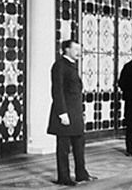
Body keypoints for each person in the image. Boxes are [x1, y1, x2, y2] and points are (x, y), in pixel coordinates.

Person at [47, 39, 97, 186]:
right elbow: (57, 91)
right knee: (63, 148)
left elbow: (75, 92)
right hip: (65, 113)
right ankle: (64, 177)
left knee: (79, 144)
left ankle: (81, 174)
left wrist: (80, 112)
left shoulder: (72, 65)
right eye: (76, 49)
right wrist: (62, 113)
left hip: (75, 113)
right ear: (66, 49)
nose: (79, 52)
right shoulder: (59, 66)